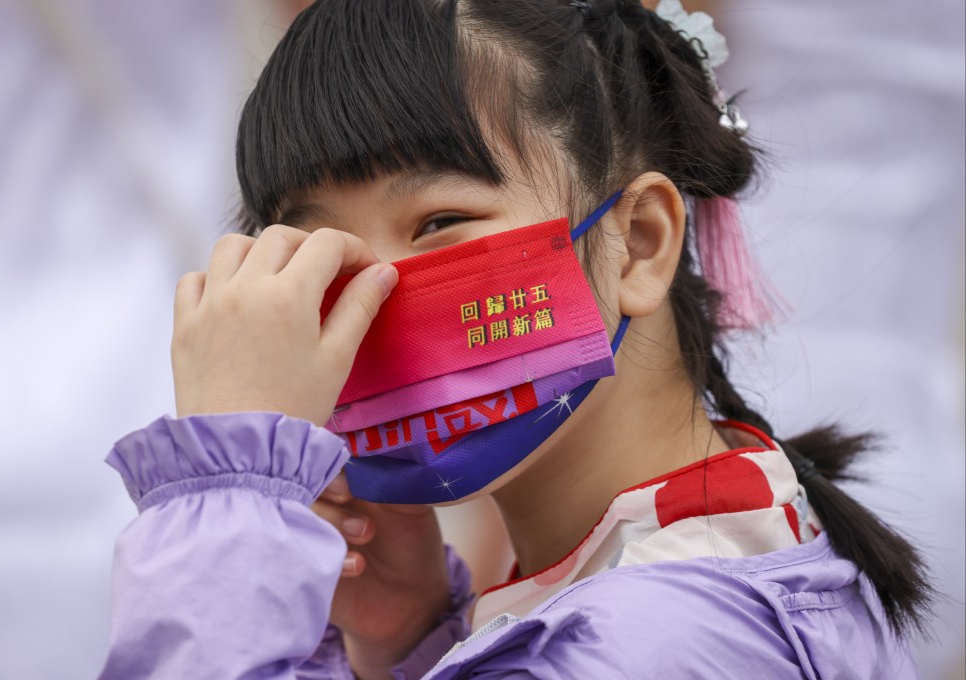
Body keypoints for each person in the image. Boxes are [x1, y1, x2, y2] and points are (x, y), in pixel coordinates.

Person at [98, 1, 933, 678]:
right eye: (321, 252)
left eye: (439, 221)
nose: (372, 291)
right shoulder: (740, 547)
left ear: (638, 240)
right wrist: (415, 640)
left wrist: (228, 496)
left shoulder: (654, 642)